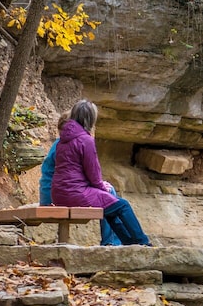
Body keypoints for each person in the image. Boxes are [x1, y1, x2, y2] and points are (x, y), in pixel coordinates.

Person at [50, 100, 151, 246]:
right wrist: (103, 187)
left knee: (109, 208)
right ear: (90, 119)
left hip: (59, 193)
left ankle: (130, 243)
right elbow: (93, 173)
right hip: (75, 194)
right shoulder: (86, 140)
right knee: (122, 205)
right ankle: (143, 243)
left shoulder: (62, 141)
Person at [38, 140, 120, 245]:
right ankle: (111, 243)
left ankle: (112, 242)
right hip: (61, 196)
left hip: (47, 195)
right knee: (109, 194)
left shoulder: (59, 143)